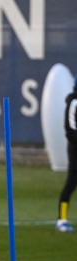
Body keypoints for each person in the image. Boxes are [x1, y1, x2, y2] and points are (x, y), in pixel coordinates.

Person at [56, 75, 77, 232]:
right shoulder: (74, 103)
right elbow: (70, 129)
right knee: (71, 182)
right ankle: (61, 220)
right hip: (75, 148)